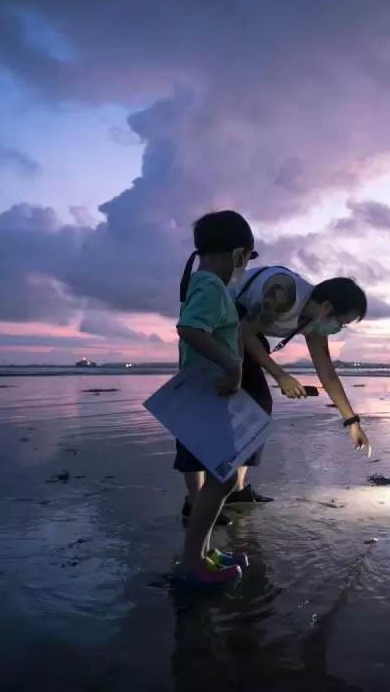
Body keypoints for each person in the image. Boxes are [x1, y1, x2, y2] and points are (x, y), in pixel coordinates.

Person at [176, 265, 372, 521]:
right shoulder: (283, 292)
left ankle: (237, 490)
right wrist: (280, 376)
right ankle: (195, 500)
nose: (338, 329)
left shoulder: (313, 322)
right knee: (204, 412)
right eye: (341, 322)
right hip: (217, 327)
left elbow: (328, 374)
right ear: (326, 307)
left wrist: (352, 421)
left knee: (258, 407)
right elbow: (243, 332)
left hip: (245, 332)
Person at [171, 209, 257, 590]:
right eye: (248, 258)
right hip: (205, 396)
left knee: (219, 479)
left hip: (204, 395)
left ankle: (203, 552)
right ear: (238, 254)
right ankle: (192, 562)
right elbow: (190, 329)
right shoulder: (208, 284)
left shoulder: (205, 284)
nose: (246, 266)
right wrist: (233, 367)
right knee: (221, 480)